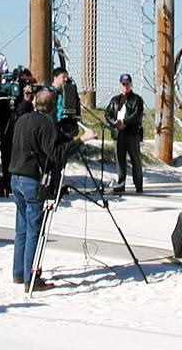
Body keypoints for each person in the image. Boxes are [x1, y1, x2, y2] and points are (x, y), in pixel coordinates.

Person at [9, 88, 96, 290]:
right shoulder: (45, 124)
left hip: (16, 177)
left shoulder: (23, 119)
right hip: (31, 180)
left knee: (21, 228)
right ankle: (31, 279)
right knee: (33, 231)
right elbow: (57, 154)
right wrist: (80, 140)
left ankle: (19, 273)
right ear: (52, 107)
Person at [104, 73, 145, 194]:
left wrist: (125, 122)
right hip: (118, 134)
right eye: (123, 84)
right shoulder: (115, 100)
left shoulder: (136, 99)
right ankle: (120, 184)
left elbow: (137, 114)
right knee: (120, 160)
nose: (125, 86)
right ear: (120, 85)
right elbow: (108, 114)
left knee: (135, 159)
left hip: (132, 133)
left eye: (127, 84)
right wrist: (114, 123)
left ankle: (138, 185)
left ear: (131, 85)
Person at [49, 66, 81, 137]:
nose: (66, 79)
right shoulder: (48, 93)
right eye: (63, 77)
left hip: (66, 125)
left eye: (67, 77)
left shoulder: (68, 94)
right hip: (53, 126)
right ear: (55, 78)